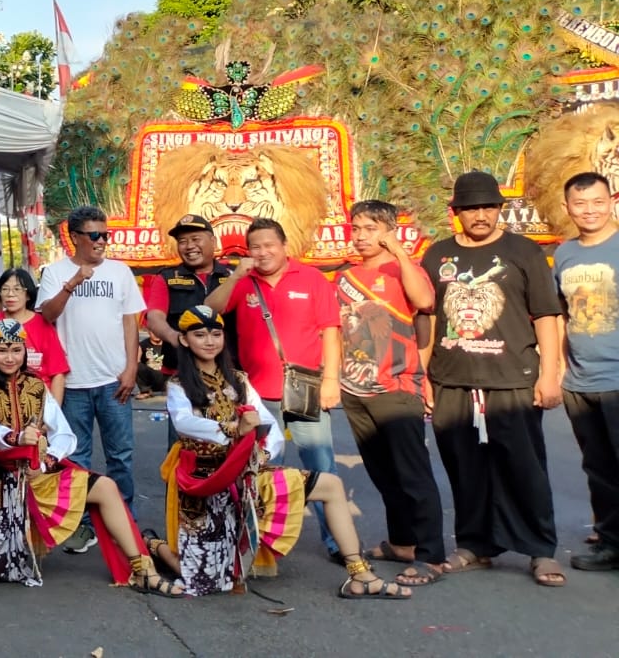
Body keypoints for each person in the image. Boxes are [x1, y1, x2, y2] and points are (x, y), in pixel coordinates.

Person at [150, 306, 410, 600]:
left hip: (247, 473)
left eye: (215, 334)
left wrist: (263, 454)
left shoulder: (238, 379)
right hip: (205, 481)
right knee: (203, 580)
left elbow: (267, 422)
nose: (209, 341)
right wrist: (233, 428)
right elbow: (184, 423)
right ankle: (153, 545)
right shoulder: (178, 384)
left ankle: (361, 574)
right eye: (199, 335)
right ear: (184, 340)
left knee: (331, 485)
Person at [421, 171, 565, 586]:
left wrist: (549, 375)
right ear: (457, 213)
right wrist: (423, 375)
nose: (480, 215)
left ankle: (540, 549)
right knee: (464, 467)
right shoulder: (438, 256)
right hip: (452, 380)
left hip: (512, 379)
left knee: (524, 468)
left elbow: (547, 316)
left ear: (499, 210)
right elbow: (426, 319)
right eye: (471, 208)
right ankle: (474, 544)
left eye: (488, 207)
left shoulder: (524, 252)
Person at [0, 320, 177, 593]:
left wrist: (46, 461)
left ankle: (141, 568)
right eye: (2, 350)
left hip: (37, 472)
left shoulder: (38, 387)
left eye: (16, 350)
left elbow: (65, 434)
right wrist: (15, 438)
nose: (10, 357)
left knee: (106, 487)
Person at [203, 217, 341, 557]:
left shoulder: (311, 279)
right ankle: (258, 541)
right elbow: (210, 310)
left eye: (269, 245)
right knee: (257, 469)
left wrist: (331, 380)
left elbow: (331, 332)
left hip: (306, 388)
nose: (262, 253)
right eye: (255, 247)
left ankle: (336, 542)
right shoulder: (244, 281)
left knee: (321, 466)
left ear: (284, 246)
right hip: (257, 394)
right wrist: (235, 275)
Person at [334, 200, 446, 587]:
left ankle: (431, 555)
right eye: (357, 228)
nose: (361, 236)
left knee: (413, 474)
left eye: (370, 228)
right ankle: (402, 542)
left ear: (388, 230)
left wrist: (399, 251)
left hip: (397, 387)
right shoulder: (345, 275)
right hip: (355, 388)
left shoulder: (404, 270)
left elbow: (425, 302)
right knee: (383, 473)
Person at [37, 205, 144, 519]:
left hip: (114, 381)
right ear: (75, 237)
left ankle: (125, 520)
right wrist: (72, 283)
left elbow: (130, 322)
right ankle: (79, 522)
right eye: (94, 235)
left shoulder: (120, 271)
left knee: (120, 457)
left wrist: (131, 368)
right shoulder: (55, 273)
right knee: (76, 457)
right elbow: (47, 315)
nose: (101, 241)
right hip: (72, 383)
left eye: (105, 235)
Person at [557, 172, 619, 573]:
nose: (589, 210)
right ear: (567, 208)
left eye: (597, 201)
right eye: (580, 204)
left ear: (612, 200)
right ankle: (611, 543)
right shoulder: (564, 254)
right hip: (580, 382)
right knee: (599, 468)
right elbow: (560, 316)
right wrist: (559, 371)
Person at [143, 214, 232, 389]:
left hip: (227, 372)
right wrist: (174, 337)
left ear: (213, 242)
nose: (189, 246)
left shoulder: (231, 276)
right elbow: (154, 318)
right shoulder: (167, 277)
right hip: (180, 372)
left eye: (195, 239)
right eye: (182, 241)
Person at [0, 268, 69, 402]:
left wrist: (54, 414)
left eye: (17, 289)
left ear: (28, 295)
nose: (10, 294)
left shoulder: (42, 323)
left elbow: (58, 372)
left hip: (39, 398)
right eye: (5, 289)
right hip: (2, 399)